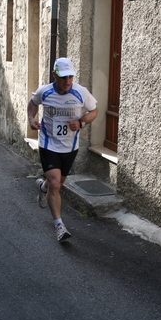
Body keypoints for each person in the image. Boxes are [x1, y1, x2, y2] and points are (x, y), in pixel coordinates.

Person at [28, 58, 98, 242]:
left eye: (70, 77)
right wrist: (31, 118)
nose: (67, 81)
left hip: (70, 146)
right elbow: (33, 102)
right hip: (48, 143)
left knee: (57, 184)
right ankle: (60, 226)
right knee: (56, 183)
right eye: (63, 77)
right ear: (54, 75)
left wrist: (81, 122)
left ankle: (43, 187)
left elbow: (94, 110)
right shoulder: (45, 91)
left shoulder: (80, 92)